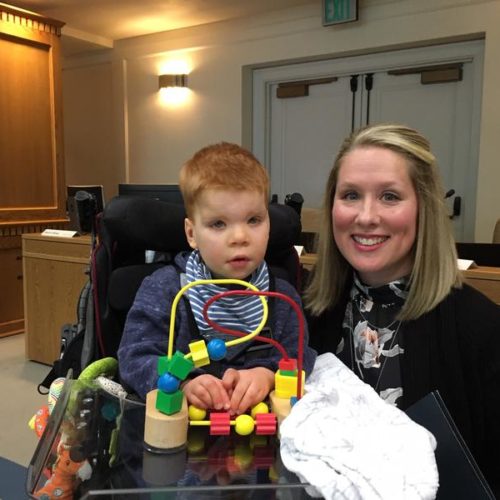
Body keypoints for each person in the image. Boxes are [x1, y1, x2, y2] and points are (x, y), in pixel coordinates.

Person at [304, 123, 500, 493]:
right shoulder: (306, 316)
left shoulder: (482, 330)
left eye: (390, 196)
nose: (365, 216)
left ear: (423, 208)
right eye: (350, 195)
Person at [118, 142, 316, 416]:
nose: (239, 237)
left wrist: (268, 374)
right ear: (191, 234)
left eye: (254, 220)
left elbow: (300, 356)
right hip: (183, 436)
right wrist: (183, 383)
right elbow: (133, 358)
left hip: (260, 438)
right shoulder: (164, 290)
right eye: (218, 224)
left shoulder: (282, 298)